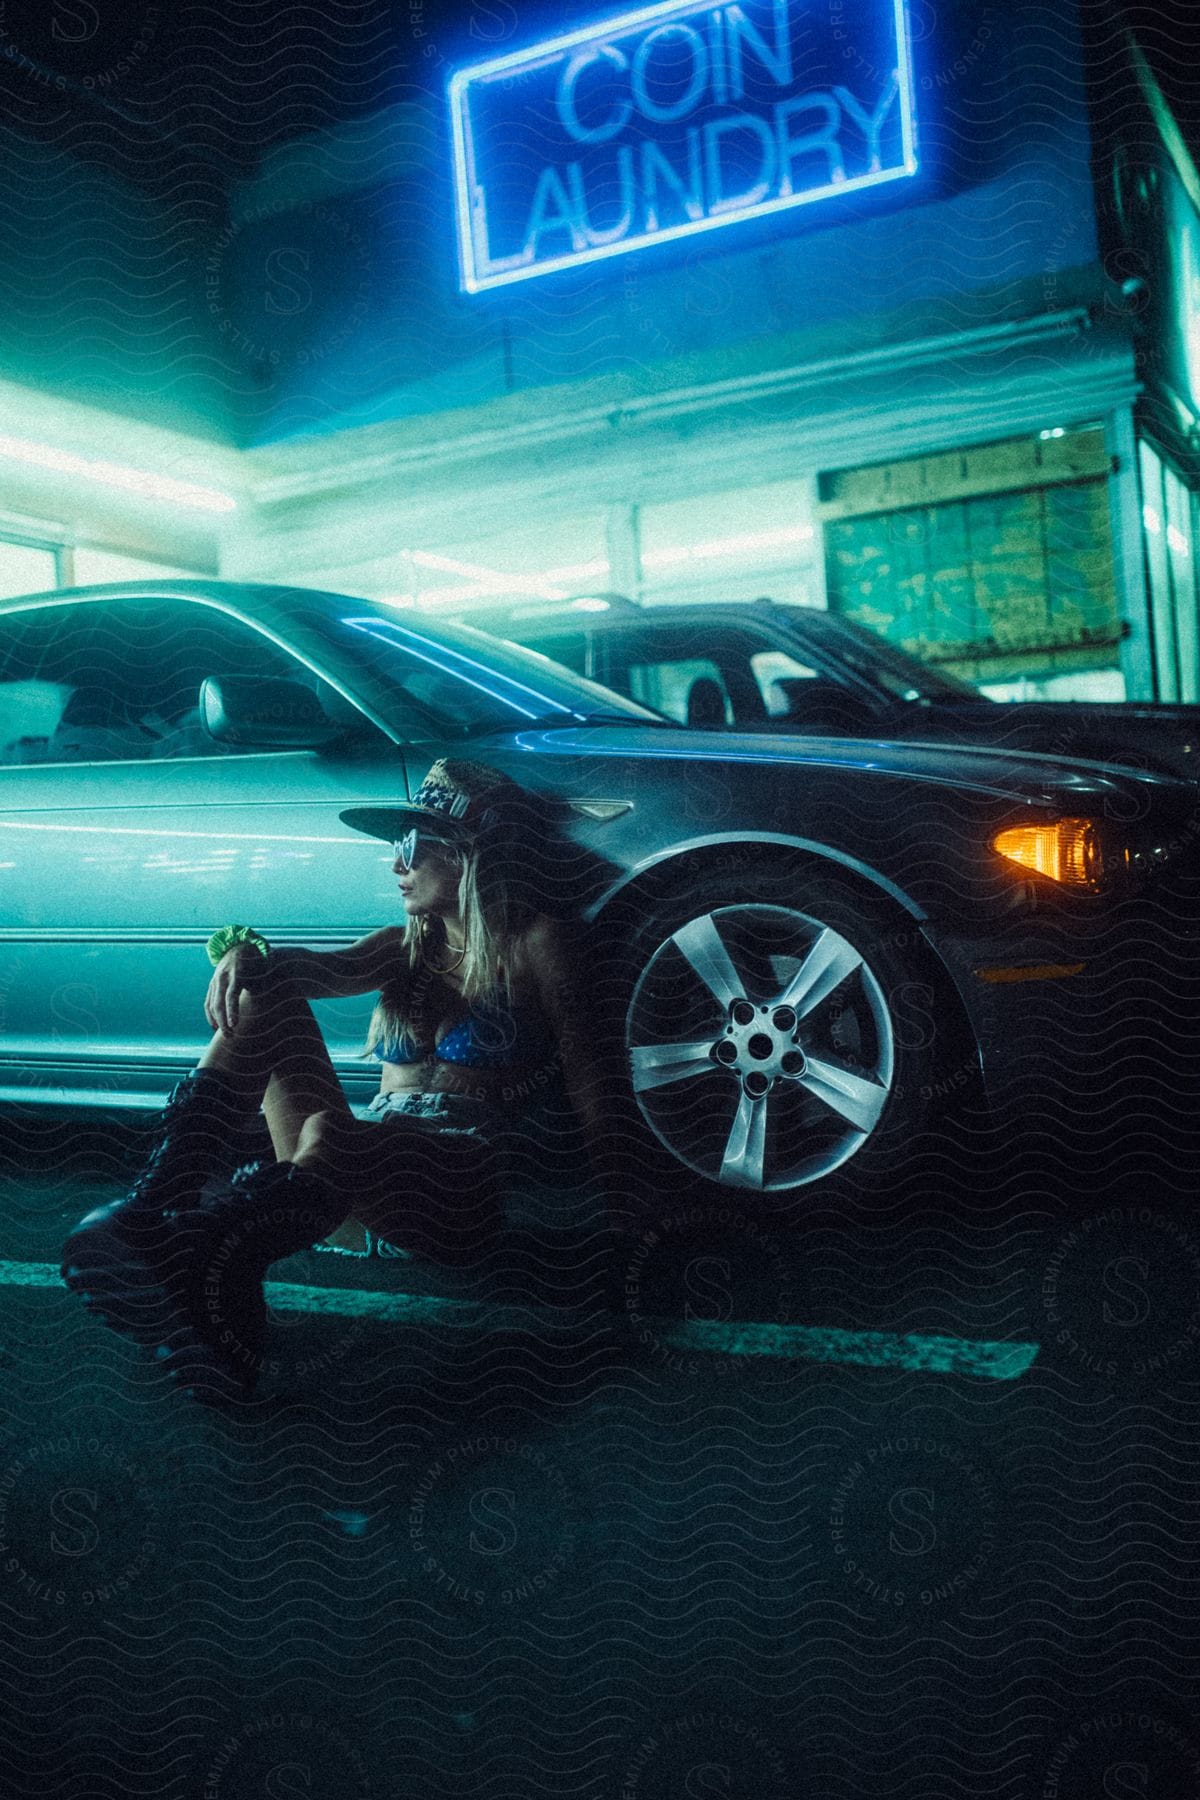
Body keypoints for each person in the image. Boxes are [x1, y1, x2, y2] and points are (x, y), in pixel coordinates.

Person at [60, 758, 611, 1404]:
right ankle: (152, 1217)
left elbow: (593, 1086)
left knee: (331, 1128)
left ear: (467, 851)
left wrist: (624, 1228)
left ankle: (202, 1268)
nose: (395, 865)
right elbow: (302, 972)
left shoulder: (541, 944)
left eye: (410, 845)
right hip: (334, 1190)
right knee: (263, 999)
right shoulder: (403, 947)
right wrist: (243, 956)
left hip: (453, 1193)